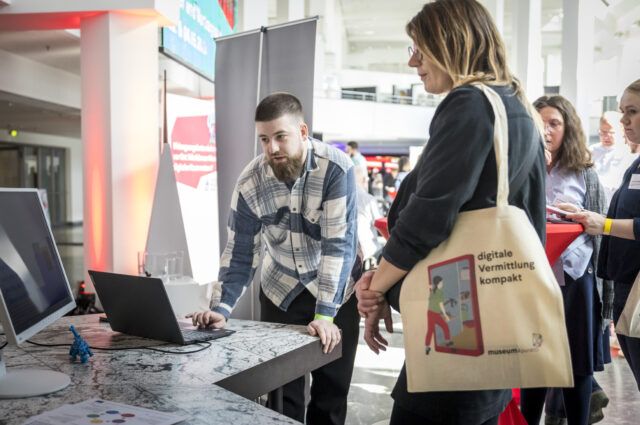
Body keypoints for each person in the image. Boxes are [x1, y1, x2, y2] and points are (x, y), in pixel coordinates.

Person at [354, 1, 546, 424]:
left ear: (450, 42)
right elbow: (533, 221)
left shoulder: (469, 104)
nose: (412, 62)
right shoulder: (518, 106)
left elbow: (428, 218)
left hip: (455, 315)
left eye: (419, 49)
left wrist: (374, 286)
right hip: (491, 312)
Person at [187, 92, 360, 425]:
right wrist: (221, 309)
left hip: (338, 294)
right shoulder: (250, 181)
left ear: (303, 131)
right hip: (281, 293)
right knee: (282, 398)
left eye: (281, 136)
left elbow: (339, 246)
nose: (272, 148)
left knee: (331, 396)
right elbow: (240, 254)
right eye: (264, 139)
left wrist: (325, 316)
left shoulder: (337, 170)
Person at [523, 95, 609, 425]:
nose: (547, 130)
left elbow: (599, 223)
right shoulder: (522, 167)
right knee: (533, 360)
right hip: (532, 277)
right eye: (540, 123)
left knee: (578, 362)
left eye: (554, 123)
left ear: (567, 127)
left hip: (576, 276)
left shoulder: (584, 172)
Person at [564, 79, 640, 391]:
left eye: (632, 112)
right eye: (623, 112)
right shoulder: (636, 164)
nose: (624, 121)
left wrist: (603, 224)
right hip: (625, 285)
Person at [591, 111, 634, 204]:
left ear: (622, 131)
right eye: (602, 132)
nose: (606, 137)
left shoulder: (628, 153)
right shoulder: (591, 150)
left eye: (611, 132)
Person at [354, 166, 384, 267]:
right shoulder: (368, 199)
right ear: (364, 180)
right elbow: (380, 223)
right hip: (369, 252)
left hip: (349, 254)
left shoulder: (342, 198)